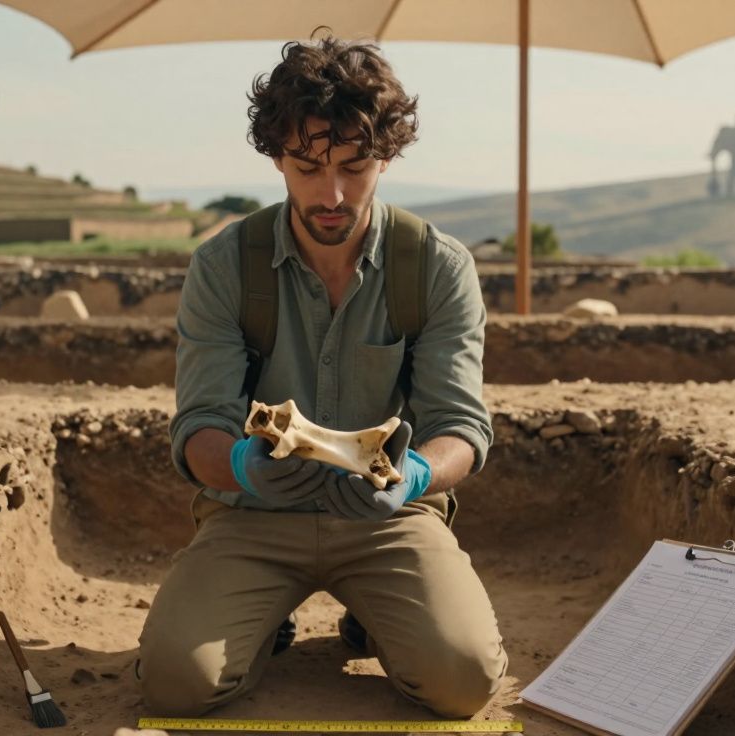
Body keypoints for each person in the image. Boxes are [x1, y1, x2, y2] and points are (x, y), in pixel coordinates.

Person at [136, 32, 506, 718]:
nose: (331, 193)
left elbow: (459, 425)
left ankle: (376, 616)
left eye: (354, 165)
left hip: (388, 518)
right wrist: (246, 466)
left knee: (462, 682)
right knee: (175, 684)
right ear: (276, 157)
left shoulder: (437, 265)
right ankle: (261, 620)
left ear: (387, 157)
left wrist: (416, 476)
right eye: (308, 167)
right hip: (252, 517)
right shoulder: (225, 265)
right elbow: (197, 428)